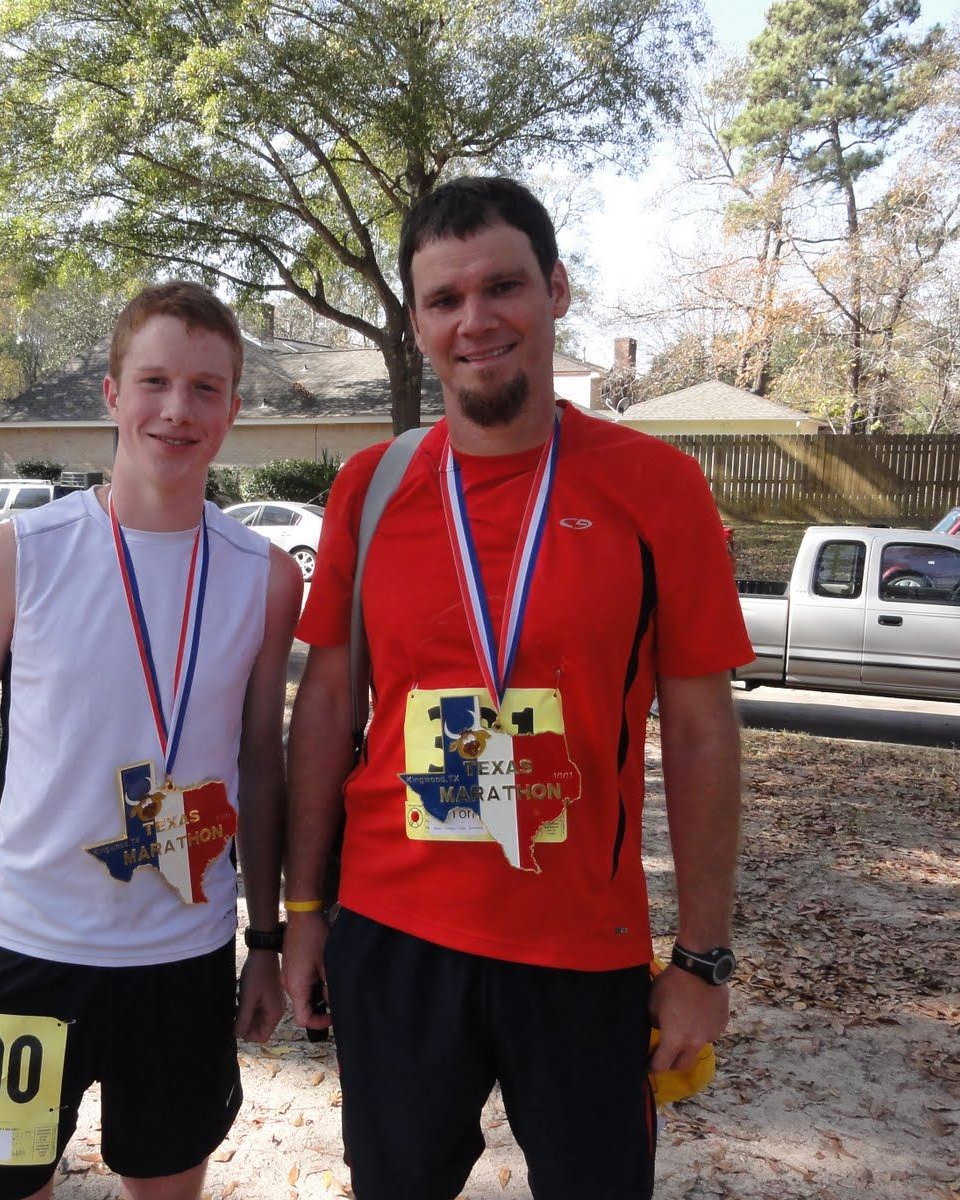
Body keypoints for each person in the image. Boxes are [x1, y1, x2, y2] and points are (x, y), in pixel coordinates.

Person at [280, 177, 753, 1199]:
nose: (475, 320)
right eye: (444, 300)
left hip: (583, 948)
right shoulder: (373, 485)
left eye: (503, 287)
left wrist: (702, 958)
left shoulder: (656, 487)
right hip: (393, 935)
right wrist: (303, 907)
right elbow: (326, 706)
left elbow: (705, 731)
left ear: (558, 292)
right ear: (415, 325)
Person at [0, 281, 302, 1200]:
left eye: (207, 388)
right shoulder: (22, 552)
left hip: (181, 962)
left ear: (232, 408)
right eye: (154, 382)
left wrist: (263, 938)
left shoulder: (263, 576)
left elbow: (262, 766)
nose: (178, 411)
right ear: (111, 394)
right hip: (27, 952)